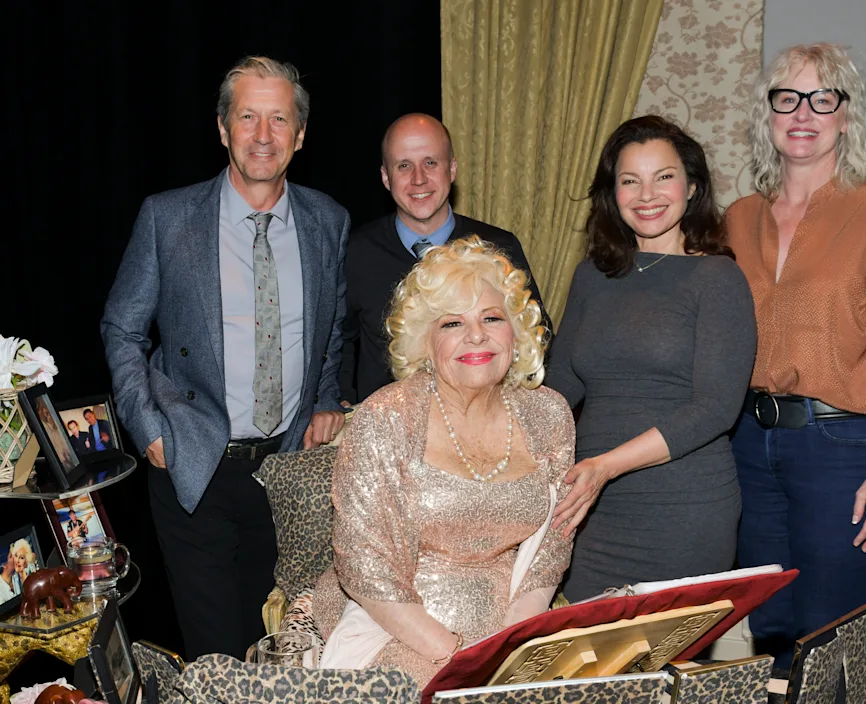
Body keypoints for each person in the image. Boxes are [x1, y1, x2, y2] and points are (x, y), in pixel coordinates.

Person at [101, 55, 350, 661]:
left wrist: (324, 400)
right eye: (247, 117)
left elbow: (333, 329)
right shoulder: (168, 218)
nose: (263, 135)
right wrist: (148, 427)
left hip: (288, 474)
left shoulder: (328, 221)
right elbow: (122, 328)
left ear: (300, 134)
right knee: (217, 659)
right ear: (222, 128)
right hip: (195, 466)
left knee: (282, 652)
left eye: (279, 119)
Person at [724, 43, 866, 672]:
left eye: (823, 99)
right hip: (748, 449)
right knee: (772, 637)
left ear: (847, 117)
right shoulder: (737, 219)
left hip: (845, 450)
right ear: (767, 114)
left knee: (832, 651)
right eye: (787, 97)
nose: (803, 112)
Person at [303, 236, 574, 688]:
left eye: (492, 317)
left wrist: (513, 645)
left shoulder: (548, 413)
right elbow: (364, 566)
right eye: (452, 323)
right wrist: (458, 658)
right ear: (425, 342)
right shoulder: (386, 417)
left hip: (510, 626)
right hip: (396, 626)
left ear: (516, 331)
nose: (476, 335)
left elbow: (553, 545)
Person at [545, 116, 757, 603]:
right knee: (585, 646)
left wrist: (606, 466)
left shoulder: (718, 279)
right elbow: (563, 382)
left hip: (681, 509)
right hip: (590, 509)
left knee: (664, 649)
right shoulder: (590, 276)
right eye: (630, 181)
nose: (647, 195)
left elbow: (715, 409)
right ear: (612, 193)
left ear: (692, 186)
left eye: (663, 176)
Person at [338, 113, 550, 404]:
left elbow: (534, 336)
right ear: (386, 177)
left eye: (430, 163)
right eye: (404, 166)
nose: (418, 179)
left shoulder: (498, 248)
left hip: (482, 420)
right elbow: (338, 341)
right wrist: (340, 402)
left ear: (452, 169)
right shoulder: (356, 252)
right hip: (386, 423)